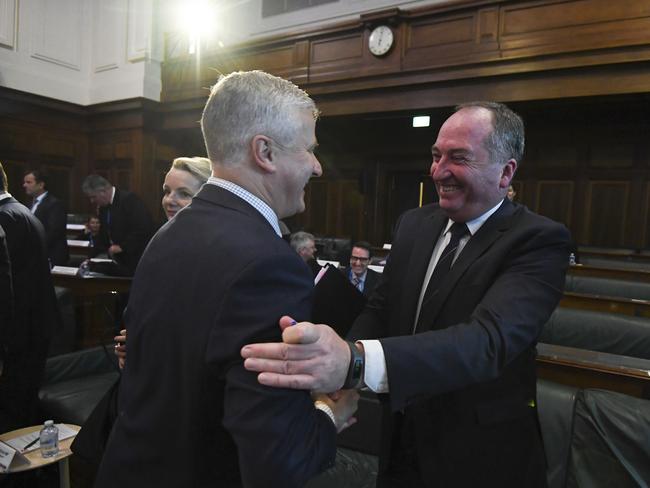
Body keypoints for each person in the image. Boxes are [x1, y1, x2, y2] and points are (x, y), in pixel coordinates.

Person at [241, 102, 571, 488]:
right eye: (436, 156)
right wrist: (339, 369)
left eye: (458, 158)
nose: (438, 171)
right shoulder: (415, 224)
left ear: (506, 172)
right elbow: (381, 309)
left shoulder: (538, 240)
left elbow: (488, 342)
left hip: (482, 456)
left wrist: (355, 362)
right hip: (401, 440)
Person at [95, 70, 358, 488]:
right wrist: (331, 415)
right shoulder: (270, 264)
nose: (317, 166)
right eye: (308, 149)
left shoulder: (167, 234)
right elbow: (276, 458)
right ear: (265, 152)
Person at [113, 156, 212, 368]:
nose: (169, 200)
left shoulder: (211, 250)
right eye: (167, 191)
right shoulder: (162, 239)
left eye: (184, 194)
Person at [0, 162, 59, 433]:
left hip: (19, 331)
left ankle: (20, 474)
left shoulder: (5, 217)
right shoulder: (20, 211)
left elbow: (7, 286)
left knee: (15, 412)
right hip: (33, 325)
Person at [81, 174, 154, 275]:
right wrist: (90, 258)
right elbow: (103, 235)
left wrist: (123, 247)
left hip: (135, 259)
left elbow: (144, 228)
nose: (92, 201)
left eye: (93, 197)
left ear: (103, 192)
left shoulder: (129, 200)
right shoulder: (103, 207)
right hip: (117, 259)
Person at [23, 169, 69, 265]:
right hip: (32, 256)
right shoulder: (28, 204)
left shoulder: (54, 204)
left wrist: (31, 246)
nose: (24, 185)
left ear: (41, 185)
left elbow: (54, 232)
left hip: (50, 256)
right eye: (24, 182)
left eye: (29, 182)